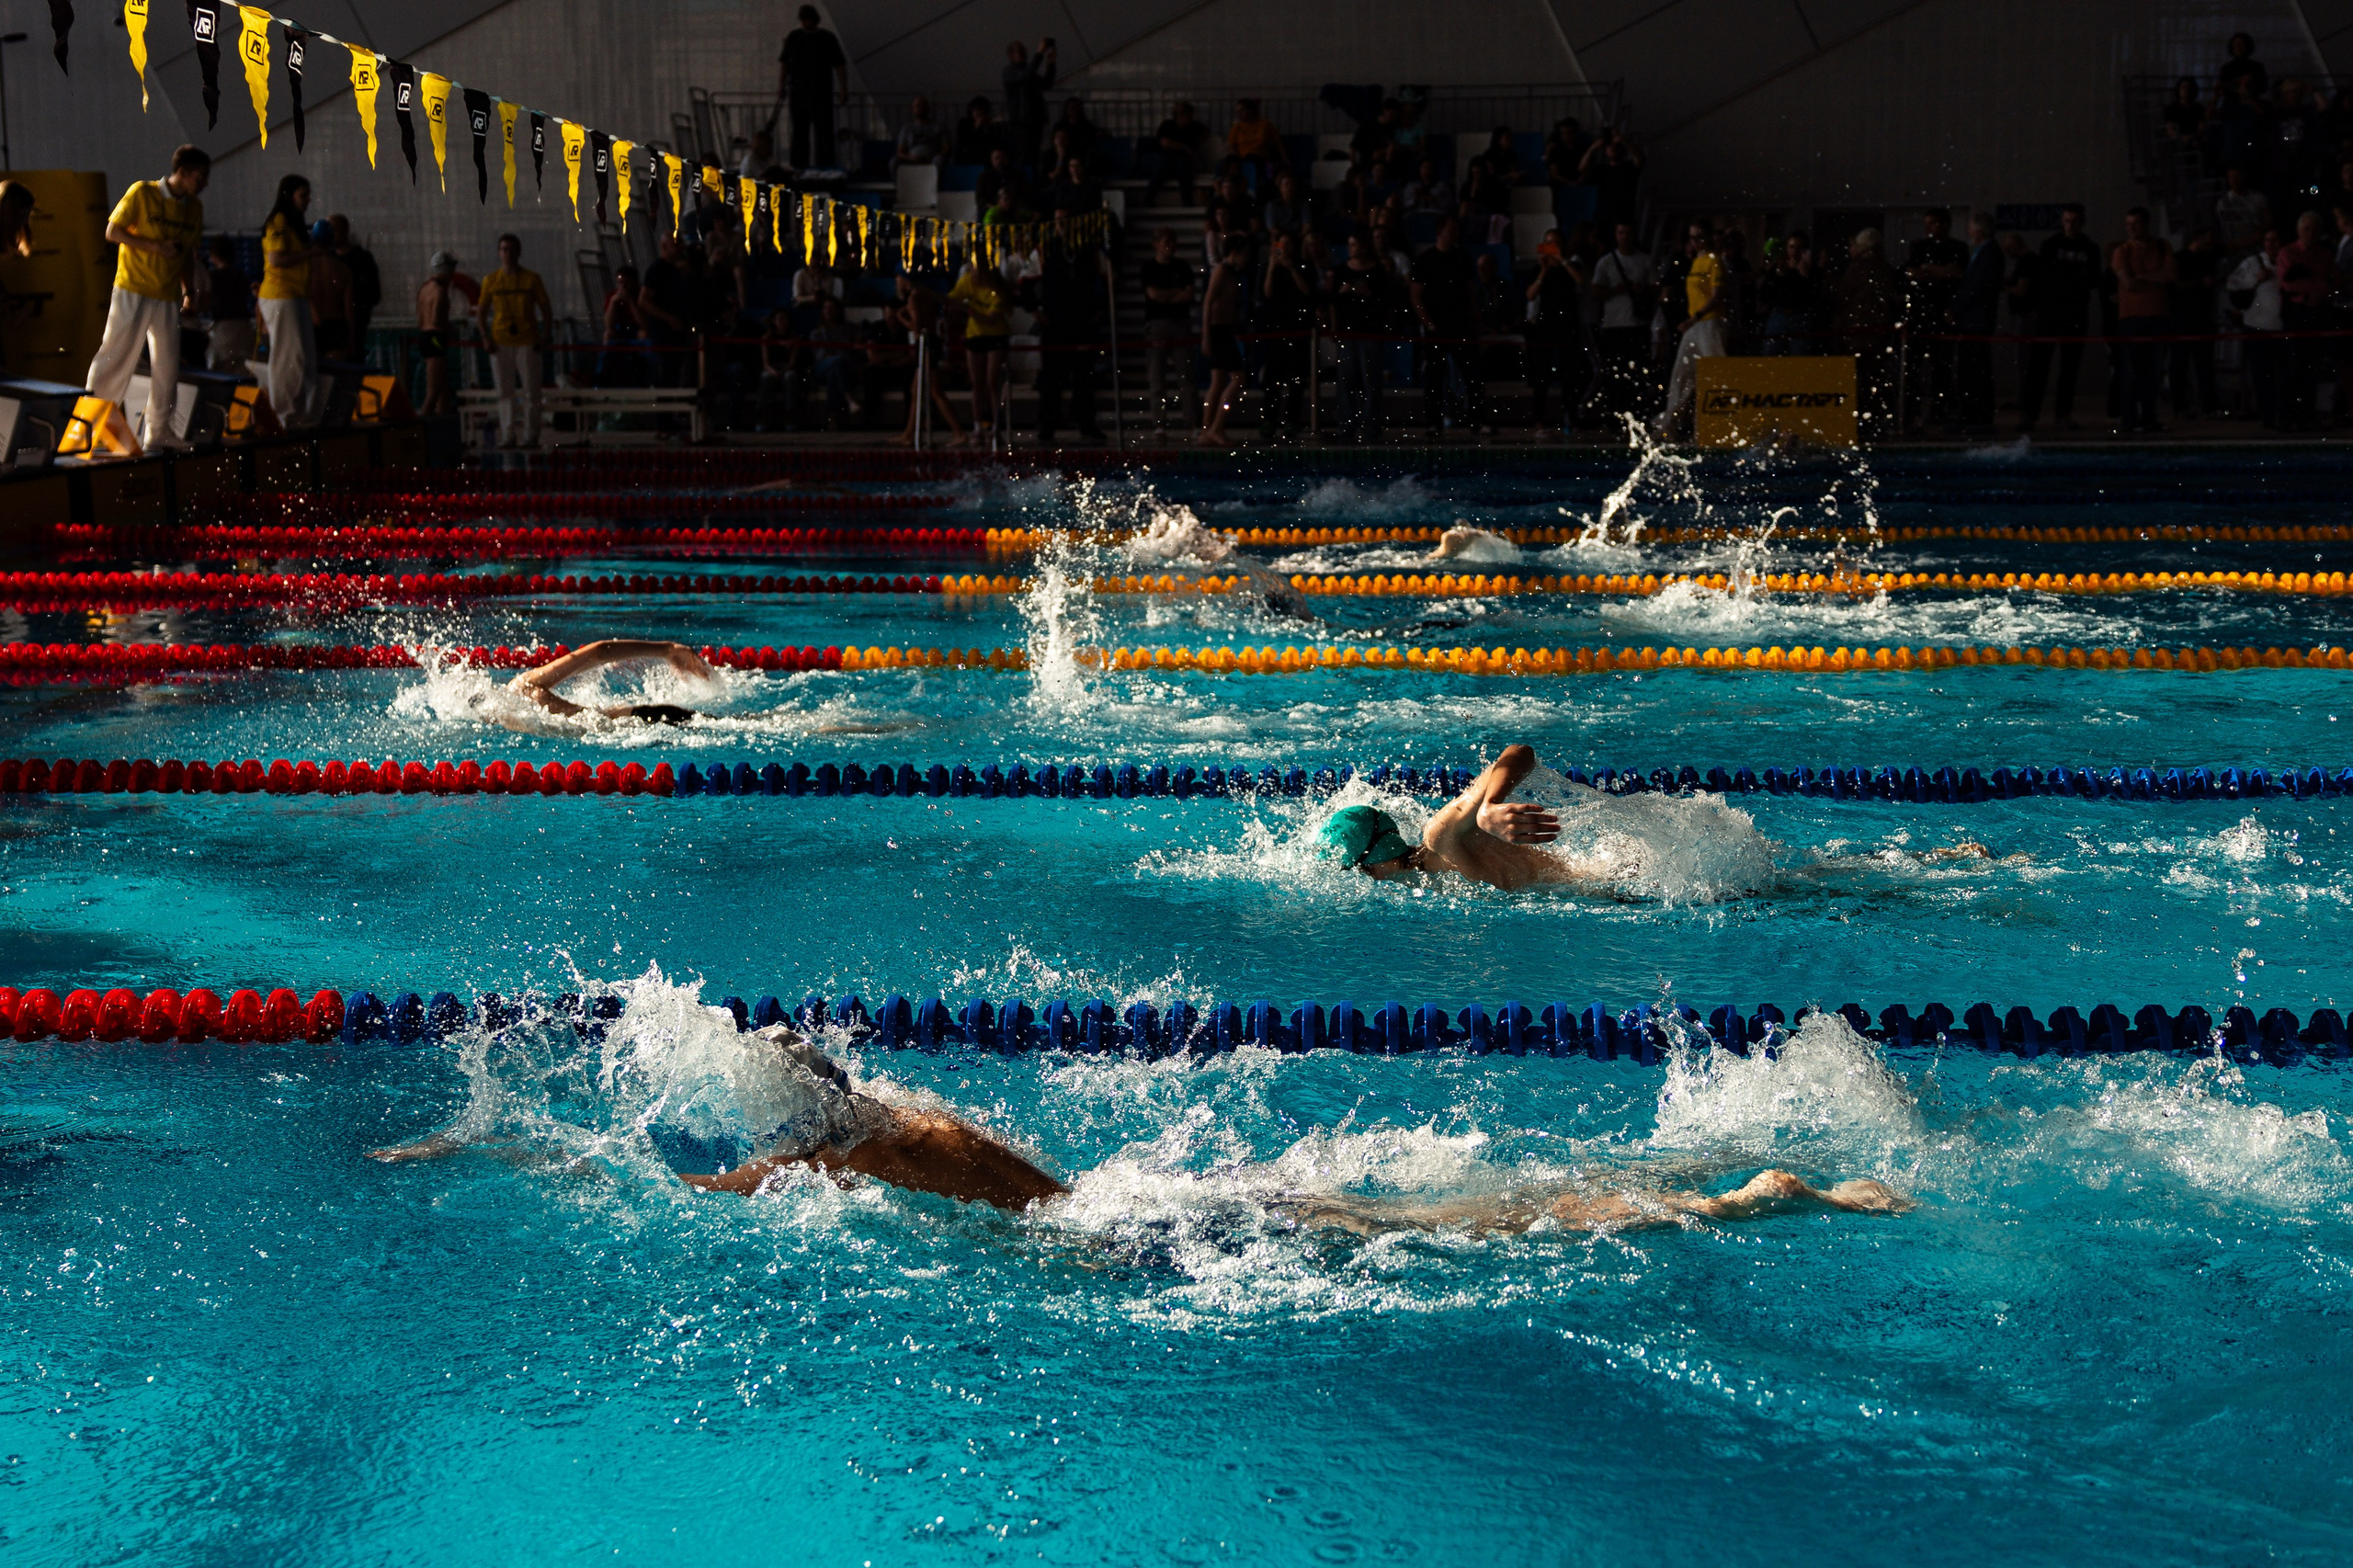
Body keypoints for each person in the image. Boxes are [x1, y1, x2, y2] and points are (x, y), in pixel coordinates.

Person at [370, 1010, 1913, 1230]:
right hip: (1138, 1197)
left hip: (1137, 1235)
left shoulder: (844, 1155)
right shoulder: (894, 1108)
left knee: (1454, 1231)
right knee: (1438, 1208)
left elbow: (667, 1195)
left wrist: (488, 1141)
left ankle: (1750, 1193)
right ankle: (1703, 1167)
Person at [85, 144, 210, 452]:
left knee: (167, 366)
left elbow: (184, 257)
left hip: (166, 295)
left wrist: (189, 293)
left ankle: (160, 431)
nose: (204, 184)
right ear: (182, 172)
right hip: (132, 288)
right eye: (200, 176)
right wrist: (156, 247)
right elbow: (113, 232)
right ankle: (92, 426)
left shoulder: (194, 208)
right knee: (116, 357)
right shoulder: (142, 193)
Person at [1321, 744, 1572, 892]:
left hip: (1600, 890)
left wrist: (1489, 806)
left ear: (1373, 862)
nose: (1368, 879)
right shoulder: (1428, 882)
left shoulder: (1440, 837)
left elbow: (1519, 753)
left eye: (1362, 870)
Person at [500, 639, 718, 729]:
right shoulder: (520, 691)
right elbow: (597, 652)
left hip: (636, 722)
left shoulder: (520, 692)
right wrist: (666, 650)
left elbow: (596, 653)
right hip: (637, 721)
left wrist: (668, 650)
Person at [2018, 204, 2100, 432]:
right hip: (2049, 314)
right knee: (2038, 367)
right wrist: (2073, 277)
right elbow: (2046, 277)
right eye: (2067, 220)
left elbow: (2093, 279)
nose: (2070, 225)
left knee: (2069, 368)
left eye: (2074, 221)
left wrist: (2068, 276)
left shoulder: (2090, 248)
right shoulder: (2051, 245)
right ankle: (2029, 414)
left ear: (2082, 222)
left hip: (2075, 315)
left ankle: (2063, 414)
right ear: (2062, 222)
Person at [1029, 214, 1105, 445]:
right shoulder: (1045, 249)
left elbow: (1100, 281)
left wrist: (1098, 310)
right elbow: (1026, 280)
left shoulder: (1087, 250)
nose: (1064, 225)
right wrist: (1035, 310)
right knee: (1052, 378)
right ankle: (1047, 426)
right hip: (1055, 324)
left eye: (1068, 221)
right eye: (1060, 221)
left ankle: (1086, 424)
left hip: (1082, 323)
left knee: (1084, 377)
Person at [477, 233, 553, 449]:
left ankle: (531, 435)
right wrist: (485, 337)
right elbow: (481, 312)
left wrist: (544, 335)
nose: (507, 253)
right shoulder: (491, 281)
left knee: (532, 392)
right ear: (499, 253)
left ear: (518, 252)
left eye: (511, 249)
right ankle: (508, 435)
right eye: (503, 249)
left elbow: (546, 309)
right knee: (504, 392)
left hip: (528, 341)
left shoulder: (531, 279)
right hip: (500, 341)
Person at [1411, 216, 1481, 435]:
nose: (1457, 234)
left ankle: (1478, 422)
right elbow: (1416, 297)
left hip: (1462, 326)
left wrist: (1475, 319)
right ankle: (1434, 422)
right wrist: (1429, 324)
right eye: (1453, 230)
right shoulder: (1425, 260)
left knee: (1472, 376)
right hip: (1437, 329)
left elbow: (1471, 291)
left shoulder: (1462, 257)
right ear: (1440, 232)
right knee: (1435, 378)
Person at [1902, 207, 1969, 432]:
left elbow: (1957, 274)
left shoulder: (1957, 247)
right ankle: (1911, 412)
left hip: (1944, 315)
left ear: (1946, 224)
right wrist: (1939, 272)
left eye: (1935, 223)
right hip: (1920, 315)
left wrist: (1930, 270)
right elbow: (1912, 273)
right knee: (1913, 366)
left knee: (1942, 366)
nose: (1930, 228)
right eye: (1927, 223)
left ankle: (1940, 411)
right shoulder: (1919, 247)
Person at [2110, 206, 2175, 435]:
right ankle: (2129, 419)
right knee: (2131, 372)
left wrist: (2142, 278)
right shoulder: (2122, 251)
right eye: (2128, 225)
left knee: (2153, 372)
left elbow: (2169, 274)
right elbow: (2127, 283)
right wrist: (2154, 279)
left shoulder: (2161, 246)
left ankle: (2149, 418)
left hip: (2158, 316)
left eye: (2135, 224)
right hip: (2131, 317)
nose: (2131, 229)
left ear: (2146, 224)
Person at [1329, 230, 1398, 443]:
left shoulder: (1377, 271)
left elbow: (1386, 301)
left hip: (1370, 332)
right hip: (1348, 332)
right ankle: (1346, 426)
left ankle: (1371, 426)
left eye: (1354, 245)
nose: (1350, 249)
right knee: (1346, 381)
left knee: (1371, 381)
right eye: (1349, 245)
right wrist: (1335, 325)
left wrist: (1367, 293)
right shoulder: (1342, 270)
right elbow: (1333, 301)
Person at [1834, 229, 1902, 437]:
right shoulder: (1887, 270)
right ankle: (1879, 419)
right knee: (1877, 379)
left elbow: (1841, 297)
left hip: (1858, 334)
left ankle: (1862, 420)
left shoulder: (1857, 269)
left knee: (1861, 380)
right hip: (1878, 334)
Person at [1659, 227, 1727, 437]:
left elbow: (1716, 297)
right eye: (1692, 238)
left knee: (1717, 372)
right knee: (1681, 374)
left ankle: (1727, 421)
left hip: (1708, 323)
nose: (1696, 241)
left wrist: (1694, 317)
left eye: (1700, 237)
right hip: (1694, 325)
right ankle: (1668, 424)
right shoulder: (1695, 262)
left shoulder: (1714, 261)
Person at [2275, 208, 2336, 429]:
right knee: (2292, 366)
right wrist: (2312, 292)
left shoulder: (2324, 255)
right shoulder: (2287, 253)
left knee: (2312, 366)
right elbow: (2288, 284)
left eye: (2315, 230)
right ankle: (2286, 416)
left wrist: (2318, 293)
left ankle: (2306, 415)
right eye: (2307, 229)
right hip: (2296, 313)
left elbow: (2331, 283)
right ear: (2299, 230)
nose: (2310, 234)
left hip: (2317, 312)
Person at [1585, 221, 1654, 416]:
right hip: (1614, 325)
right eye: (1621, 233)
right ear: (1616, 236)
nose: (1624, 237)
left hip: (1637, 324)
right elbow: (1595, 291)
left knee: (1638, 372)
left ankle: (1639, 411)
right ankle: (1616, 413)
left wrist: (1642, 290)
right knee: (1615, 373)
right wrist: (1615, 290)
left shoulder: (1644, 260)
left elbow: (1655, 287)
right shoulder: (1606, 262)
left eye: (1628, 233)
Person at [886, 270, 961, 446]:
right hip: (931, 343)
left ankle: (959, 432)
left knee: (935, 392)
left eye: (897, 277)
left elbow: (918, 327)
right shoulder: (925, 292)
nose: (896, 281)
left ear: (904, 278)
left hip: (926, 344)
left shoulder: (913, 297)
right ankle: (908, 435)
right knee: (915, 392)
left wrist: (900, 317)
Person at [1258, 230, 1317, 444]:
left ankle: (1291, 420)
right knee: (1272, 380)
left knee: (1296, 379)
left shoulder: (1304, 266)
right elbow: (1266, 293)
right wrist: (1273, 268)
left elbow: (1307, 292)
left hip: (1297, 329)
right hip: (1275, 330)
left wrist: (1292, 269)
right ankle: (1269, 420)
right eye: (1281, 246)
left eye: (1289, 245)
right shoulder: (1268, 267)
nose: (1285, 250)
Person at [1524, 229, 1583, 432]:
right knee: (1542, 373)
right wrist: (1543, 271)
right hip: (1545, 325)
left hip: (1568, 324)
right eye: (1548, 243)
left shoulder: (1571, 266)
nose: (1552, 248)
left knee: (1570, 373)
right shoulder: (1538, 269)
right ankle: (1539, 419)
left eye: (1556, 244)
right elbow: (1530, 295)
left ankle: (1571, 417)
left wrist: (1562, 261)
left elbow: (1581, 281)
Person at [777, 5, 847, 172]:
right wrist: (843, 89)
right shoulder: (824, 38)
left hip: (813, 91)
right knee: (808, 131)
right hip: (811, 91)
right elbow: (839, 65)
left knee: (815, 131)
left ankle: (817, 167)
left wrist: (781, 85)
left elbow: (785, 63)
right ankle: (809, 167)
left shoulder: (798, 38)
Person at [1140, 227, 1197, 433]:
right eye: (1166, 242)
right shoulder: (1149, 268)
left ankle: (1191, 421)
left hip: (1180, 323)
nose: (1170, 246)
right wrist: (1176, 292)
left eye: (1172, 242)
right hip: (1157, 325)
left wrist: (1168, 296)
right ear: (1156, 244)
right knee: (1157, 377)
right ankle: (1160, 422)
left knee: (1186, 377)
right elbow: (1154, 295)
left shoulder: (1183, 266)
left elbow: (1189, 294)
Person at [949, 258, 1012, 445]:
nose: (972, 271)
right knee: (977, 383)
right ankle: (977, 427)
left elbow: (990, 319)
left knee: (993, 382)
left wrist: (968, 309)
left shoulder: (997, 290)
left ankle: (996, 427)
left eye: (975, 269)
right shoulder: (967, 280)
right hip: (975, 337)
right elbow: (951, 298)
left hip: (996, 336)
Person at [1952, 213, 2005, 436]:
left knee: (1975, 370)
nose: (1969, 233)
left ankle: (1978, 415)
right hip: (1974, 319)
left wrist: (1955, 310)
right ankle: (1972, 413)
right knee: (1972, 369)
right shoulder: (1985, 253)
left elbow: (1976, 288)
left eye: (1971, 229)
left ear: (1980, 231)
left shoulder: (1990, 254)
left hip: (1976, 321)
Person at [1197, 233, 1246, 446]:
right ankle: (1215, 427)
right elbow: (1208, 303)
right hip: (1218, 331)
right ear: (1234, 253)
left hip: (1225, 331)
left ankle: (1207, 431)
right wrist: (1206, 335)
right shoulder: (1221, 272)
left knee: (1218, 382)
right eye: (1245, 255)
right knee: (1238, 379)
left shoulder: (1232, 273)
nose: (1247, 259)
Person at [415, 250, 469, 416]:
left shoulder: (425, 289)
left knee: (443, 388)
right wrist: (449, 327)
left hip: (425, 336)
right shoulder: (440, 291)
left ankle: (443, 429)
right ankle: (420, 430)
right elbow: (437, 318)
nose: (453, 274)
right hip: (436, 339)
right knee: (432, 393)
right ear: (446, 271)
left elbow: (420, 318)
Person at [1001, 39, 1057, 173]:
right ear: (1011, 55)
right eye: (1020, 51)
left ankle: (1032, 183)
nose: (1024, 54)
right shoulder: (1009, 72)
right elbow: (1026, 75)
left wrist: (1051, 63)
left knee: (1034, 156)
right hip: (1020, 122)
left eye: (1024, 51)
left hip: (1035, 120)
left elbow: (1046, 84)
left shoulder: (1027, 71)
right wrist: (1039, 53)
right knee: (1022, 156)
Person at [201, 235, 254, 372]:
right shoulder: (241, 275)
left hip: (224, 331)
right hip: (244, 328)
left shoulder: (212, 277)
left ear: (214, 255)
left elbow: (206, 305)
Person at [306, 219, 356, 359]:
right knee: (335, 376)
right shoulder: (343, 270)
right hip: (336, 327)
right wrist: (351, 340)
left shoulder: (305, 269)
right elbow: (349, 311)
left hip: (312, 326)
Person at [1147, 100, 1208, 206]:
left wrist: (1198, 143)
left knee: (1184, 165)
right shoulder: (1167, 125)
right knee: (1162, 166)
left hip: (1183, 161)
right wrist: (1183, 146)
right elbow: (1165, 143)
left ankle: (1187, 202)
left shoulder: (1193, 127)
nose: (1190, 117)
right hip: (1167, 159)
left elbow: (1206, 131)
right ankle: (1148, 200)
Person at [1225, 98, 1287, 183]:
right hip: (1242, 159)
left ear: (1250, 110)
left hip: (1260, 158)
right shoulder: (1236, 128)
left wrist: (1284, 158)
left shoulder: (1265, 125)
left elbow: (1278, 142)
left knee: (1253, 160)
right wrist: (1237, 158)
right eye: (1237, 111)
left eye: (1241, 110)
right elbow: (1231, 146)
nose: (1238, 114)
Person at [893, 97, 945, 168]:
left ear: (928, 108)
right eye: (917, 106)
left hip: (932, 159)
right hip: (911, 160)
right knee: (894, 162)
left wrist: (934, 156)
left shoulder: (938, 127)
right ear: (913, 109)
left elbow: (946, 148)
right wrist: (911, 158)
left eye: (923, 105)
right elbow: (900, 152)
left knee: (940, 160)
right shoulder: (906, 129)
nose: (921, 108)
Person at [951, 97, 999, 167]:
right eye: (975, 109)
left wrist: (986, 128)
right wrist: (976, 127)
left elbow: (993, 141)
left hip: (986, 155)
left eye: (981, 110)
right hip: (968, 155)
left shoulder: (991, 125)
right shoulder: (964, 123)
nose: (978, 113)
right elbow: (963, 141)